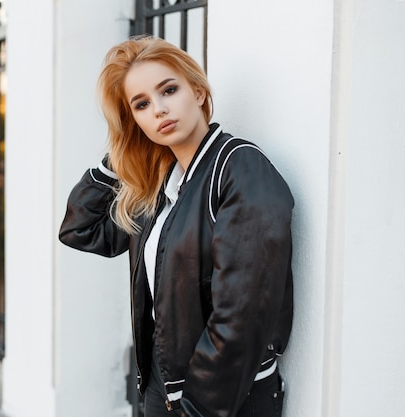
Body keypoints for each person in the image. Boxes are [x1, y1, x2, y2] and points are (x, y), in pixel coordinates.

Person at [59, 36, 294, 417]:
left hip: (223, 396)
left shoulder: (239, 170)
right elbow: (81, 229)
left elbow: (243, 316)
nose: (160, 109)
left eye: (169, 89)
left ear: (198, 91)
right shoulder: (161, 184)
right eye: (142, 104)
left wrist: (195, 408)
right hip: (162, 384)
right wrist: (120, 152)